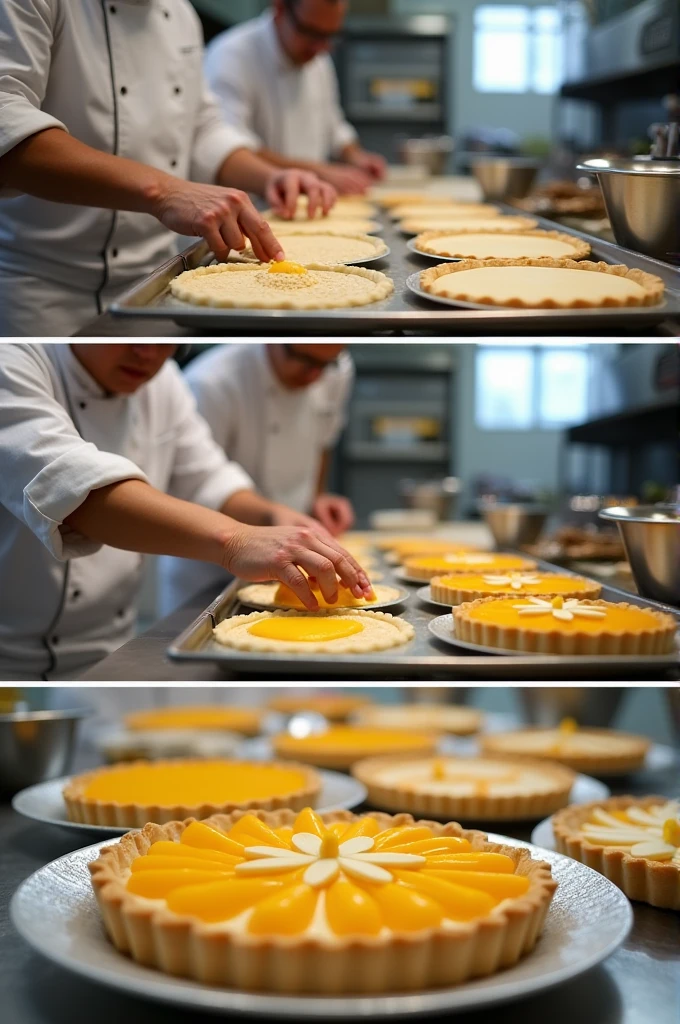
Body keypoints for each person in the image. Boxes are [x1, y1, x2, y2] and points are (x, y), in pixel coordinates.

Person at [0, 343, 372, 681]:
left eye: (164, 341)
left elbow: (209, 479)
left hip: (112, 648)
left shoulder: (163, 384)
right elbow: (75, 491)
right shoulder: (15, 361)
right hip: (11, 657)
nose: (147, 353)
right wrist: (236, 540)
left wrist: (273, 517)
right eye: (128, 336)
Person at [0, 0, 336, 337]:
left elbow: (202, 128)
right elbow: (8, 121)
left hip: (155, 278)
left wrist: (269, 177)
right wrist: (163, 192)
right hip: (44, 286)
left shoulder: (179, 13)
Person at [158, 342, 356, 614]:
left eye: (325, 365)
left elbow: (324, 439)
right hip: (209, 569)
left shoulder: (336, 366)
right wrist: (265, 520)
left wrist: (316, 497)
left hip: (294, 552)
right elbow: (199, 481)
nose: (315, 375)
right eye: (303, 359)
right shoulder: (211, 382)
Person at [205, 0, 387, 197]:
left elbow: (334, 128)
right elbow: (230, 147)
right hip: (254, 208)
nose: (321, 47)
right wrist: (319, 172)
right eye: (311, 32)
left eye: (331, 35)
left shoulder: (318, 59)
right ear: (280, 9)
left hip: (310, 200)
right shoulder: (231, 56)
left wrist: (356, 157)